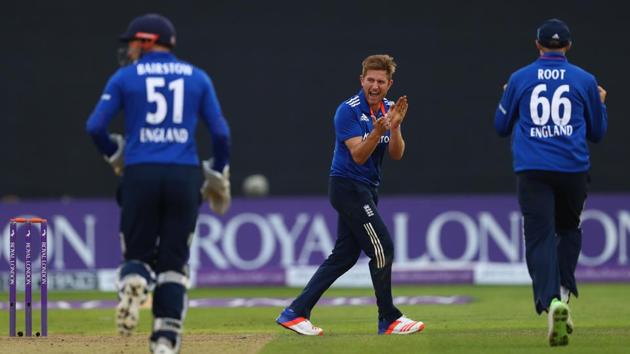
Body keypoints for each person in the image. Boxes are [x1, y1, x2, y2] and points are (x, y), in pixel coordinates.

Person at [85, 13, 231, 354]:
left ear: (148, 41)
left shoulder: (124, 77)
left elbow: (95, 127)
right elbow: (222, 134)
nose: (130, 49)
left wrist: (113, 154)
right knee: (173, 263)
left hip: (140, 173)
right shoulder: (198, 77)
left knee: (137, 255)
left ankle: (135, 279)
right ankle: (165, 341)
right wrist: (217, 173)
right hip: (184, 175)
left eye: (133, 41)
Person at [276, 54, 425, 336]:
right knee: (383, 248)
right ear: (362, 80)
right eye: (370, 79)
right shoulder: (348, 110)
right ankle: (389, 318)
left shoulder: (390, 108)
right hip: (347, 187)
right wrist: (377, 130)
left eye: (381, 81)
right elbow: (357, 155)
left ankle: (294, 313)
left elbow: (396, 153)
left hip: (367, 189)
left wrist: (394, 128)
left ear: (389, 84)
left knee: (344, 256)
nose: (375, 85)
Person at [494, 19, 607, 346]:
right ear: (568, 46)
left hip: (533, 169)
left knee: (540, 237)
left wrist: (510, 97)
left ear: (537, 44)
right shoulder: (585, 79)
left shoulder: (520, 78)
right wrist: (600, 102)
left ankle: (551, 302)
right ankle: (563, 296)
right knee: (569, 230)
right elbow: (597, 134)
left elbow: (501, 126)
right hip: (572, 169)